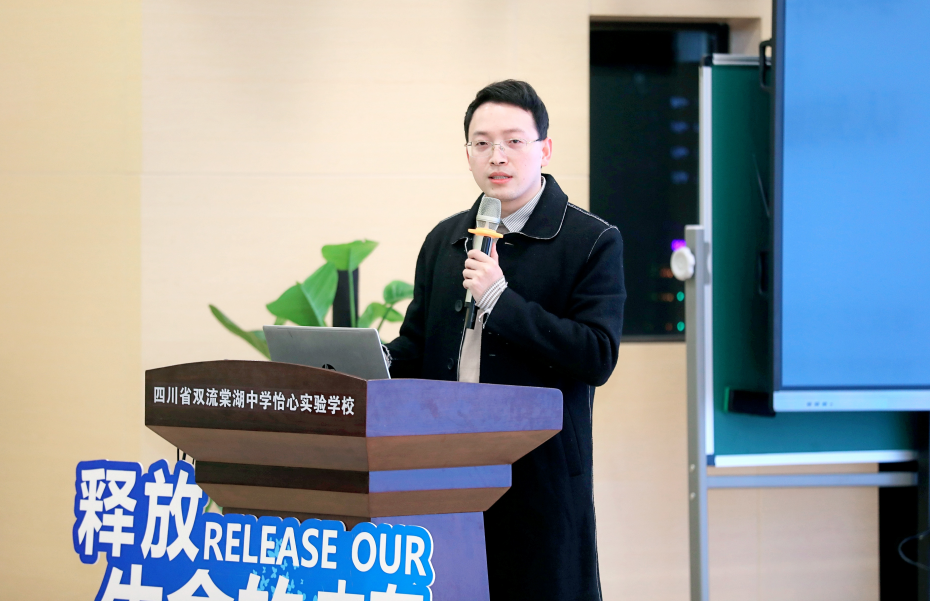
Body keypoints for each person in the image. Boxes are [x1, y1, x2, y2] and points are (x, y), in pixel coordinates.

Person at [386, 80, 626, 600]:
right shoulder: (445, 239)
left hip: (538, 478)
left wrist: (501, 300)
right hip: (445, 472)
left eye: (514, 141)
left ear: (545, 149)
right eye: (482, 143)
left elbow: (597, 356)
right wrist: (370, 359)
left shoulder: (591, 241)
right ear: (468, 154)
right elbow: (416, 349)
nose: (497, 156)